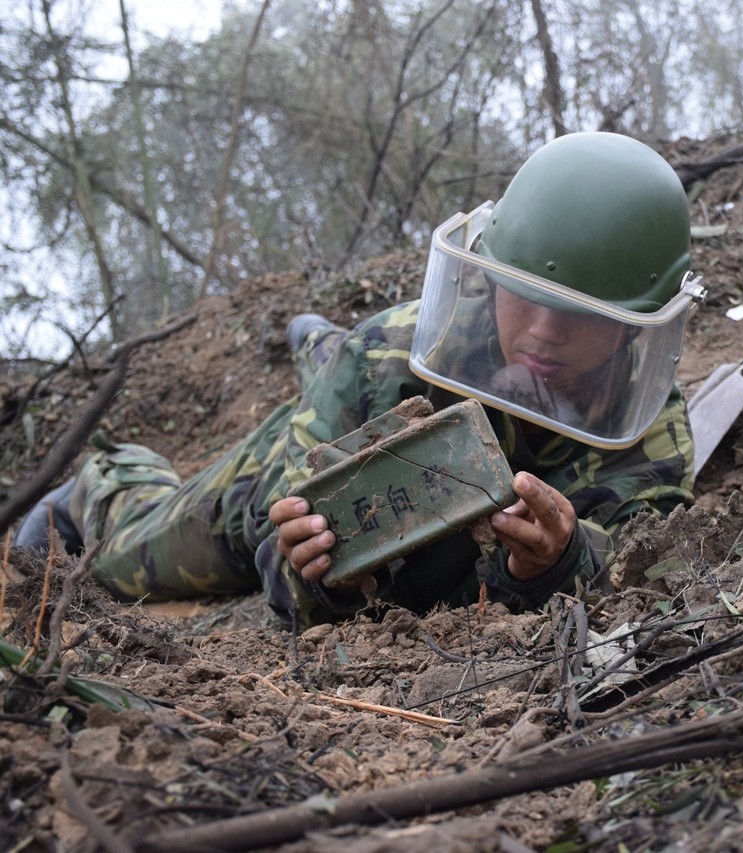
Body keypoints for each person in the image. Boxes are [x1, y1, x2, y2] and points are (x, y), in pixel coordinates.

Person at [13, 132, 705, 627]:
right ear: (487, 271)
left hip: (444, 556)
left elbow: (637, 569)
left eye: (579, 316)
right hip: (272, 482)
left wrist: (559, 560)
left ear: (634, 326)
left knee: (344, 364)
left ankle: (316, 341)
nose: (544, 335)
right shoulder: (388, 357)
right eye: (521, 294)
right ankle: (107, 483)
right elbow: (285, 589)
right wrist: (314, 568)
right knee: (134, 558)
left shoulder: (648, 434)